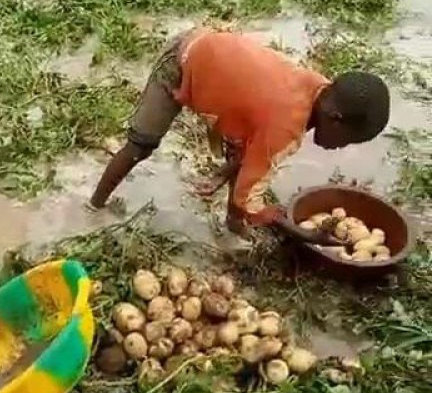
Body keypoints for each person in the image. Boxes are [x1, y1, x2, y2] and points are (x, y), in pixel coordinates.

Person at [88, 28, 390, 245]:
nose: (340, 148)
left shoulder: (322, 93)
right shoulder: (285, 126)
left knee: (242, 154)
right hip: (181, 62)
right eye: (347, 140)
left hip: (219, 59)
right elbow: (251, 199)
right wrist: (306, 235)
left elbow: (257, 149)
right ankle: (94, 206)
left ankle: (232, 227)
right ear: (335, 119)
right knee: (140, 145)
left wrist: (225, 173)